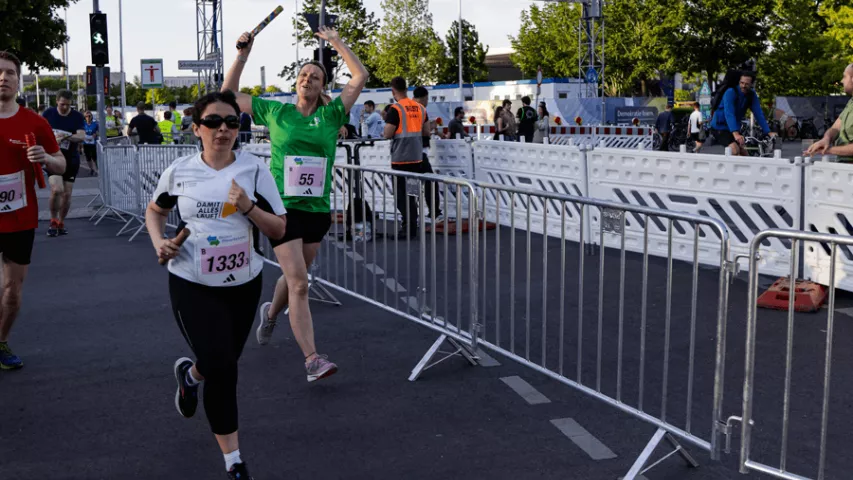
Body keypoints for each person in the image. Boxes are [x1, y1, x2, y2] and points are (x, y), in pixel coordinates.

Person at [146, 91, 286, 480]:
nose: (223, 129)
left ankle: (190, 377)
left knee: (220, 362)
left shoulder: (254, 171)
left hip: (243, 284)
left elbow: (279, 228)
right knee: (223, 368)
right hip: (191, 283)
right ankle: (234, 462)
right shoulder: (180, 171)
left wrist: (248, 208)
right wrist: (160, 243)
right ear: (196, 129)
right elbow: (155, 210)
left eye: (231, 122)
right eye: (213, 122)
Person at [222, 25, 367, 379]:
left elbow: (360, 76)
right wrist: (242, 56)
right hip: (281, 209)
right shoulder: (277, 112)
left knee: (294, 277)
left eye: (315, 76)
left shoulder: (331, 115)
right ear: (296, 82)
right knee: (301, 283)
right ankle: (312, 359)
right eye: (303, 75)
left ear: (322, 87)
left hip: (316, 209)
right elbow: (228, 96)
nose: (308, 79)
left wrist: (336, 42)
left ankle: (271, 314)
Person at [0, 51, 66, 369]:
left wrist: (46, 158)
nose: (3, 77)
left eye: (10, 72)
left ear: (19, 80)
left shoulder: (35, 122)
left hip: (19, 218)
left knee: (11, 291)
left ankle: (1, 341)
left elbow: (60, 163)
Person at [383, 79, 441, 238]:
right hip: (417, 157)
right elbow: (426, 132)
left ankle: (408, 227)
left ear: (393, 91)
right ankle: (413, 225)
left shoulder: (396, 109)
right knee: (412, 193)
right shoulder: (420, 108)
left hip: (401, 158)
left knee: (402, 195)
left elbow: (387, 133)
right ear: (406, 89)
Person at [42, 89, 85, 237]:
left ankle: (61, 222)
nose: (65, 107)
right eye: (62, 104)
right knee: (56, 189)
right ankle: (53, 220)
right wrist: (52, 139)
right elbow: (39, 132)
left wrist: (65, 137)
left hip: (71, 159)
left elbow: (81, 136)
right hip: (53, 158)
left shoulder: (77, 116)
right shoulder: (49, 114)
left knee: (66, 194)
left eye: (68, 105)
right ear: (57, 102)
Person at [709, 71, 772, 156]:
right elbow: (729, 113)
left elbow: (759, 114)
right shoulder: (730, 92)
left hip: (733, 128)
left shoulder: (751, 95)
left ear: (752, 84)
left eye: (747, 84)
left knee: (744, 154)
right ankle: (724, 164)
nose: (743, 86)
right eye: (742, 83)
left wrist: (768, 132)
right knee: (734, 150)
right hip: (720, 127)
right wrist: (736, 133)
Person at [805, 63, 853, 162]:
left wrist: (828, 150)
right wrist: (826, 139)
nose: (842, 81)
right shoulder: (851, 102)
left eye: (845, 77)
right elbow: (835, 128)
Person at [82, 110, 99, 175]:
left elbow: (98, 131)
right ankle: (91, 169)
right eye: (86, 116)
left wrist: (96, 134)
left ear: (91, 116)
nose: (88, 117)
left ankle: (98, 169)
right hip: (85, 143)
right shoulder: (83, 123)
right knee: (88, 157)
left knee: (94, 157)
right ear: (85, 117)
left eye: (89, 116)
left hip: (93, 143)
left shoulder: (95, 123)